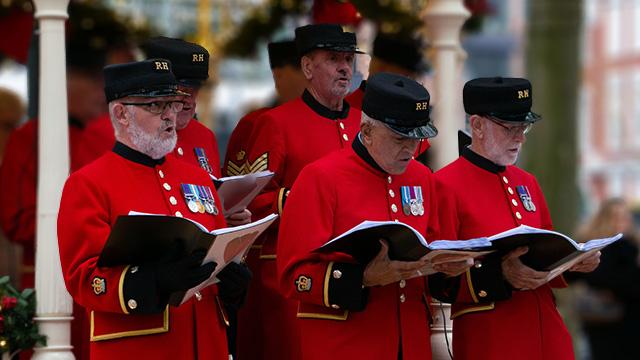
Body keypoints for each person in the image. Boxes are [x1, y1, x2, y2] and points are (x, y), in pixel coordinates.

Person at [276, 72, 471, 359]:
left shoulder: (422, 177)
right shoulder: (320, 178)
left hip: (411, 341)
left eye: (416, 139)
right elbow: (293, 276)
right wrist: (363, 278)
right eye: (399, 138)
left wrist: (447, 269)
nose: (410, 149)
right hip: (346, 345)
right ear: (366, 132)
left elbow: (431, 249)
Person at [57, 59, 234, 359]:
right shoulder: (88, 184)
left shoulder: (197, 177)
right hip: (139, 347)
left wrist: (233, 278)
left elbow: (219, 243)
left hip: (205, 343)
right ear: (121, 113)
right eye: (156, 106)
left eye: (173, 104)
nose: (170, 116)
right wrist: (155, 280)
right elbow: (85, 279)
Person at [431, 77, 601, 360]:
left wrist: (573, 261)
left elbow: (546, 248)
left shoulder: (527, 182)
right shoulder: (444, 185)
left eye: (524, 127)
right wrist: (501, 274)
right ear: (477, 125)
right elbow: (436, 279)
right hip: (492, 338)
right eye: (510, 128)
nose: (520, 138)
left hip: (547, 332)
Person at [237, 23, 364, 359]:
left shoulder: (366, 124)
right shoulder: (276, 123)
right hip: (296, 281)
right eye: (333, 58)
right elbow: (249, 203)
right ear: (307, 67)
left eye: (349, 59)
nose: (344, 67)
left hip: (360, 276)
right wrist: (306, 198)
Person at [223, 39, 306, 177]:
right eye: (303, 68)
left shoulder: (335, 119)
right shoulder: (253, 123)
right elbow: (240, 187)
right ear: (279, 74)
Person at [346, 32, 431, 159]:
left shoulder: (412, 115)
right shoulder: (343, 111)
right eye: (406, 77)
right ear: (381, 69)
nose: (413, 84)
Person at [574, 198, 640, 360]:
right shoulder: (593, 246)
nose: (622, 222)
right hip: (603, 321)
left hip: (632, 323)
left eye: (625, 217)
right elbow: (584, 276)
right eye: (616, 217)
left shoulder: (633, 245)